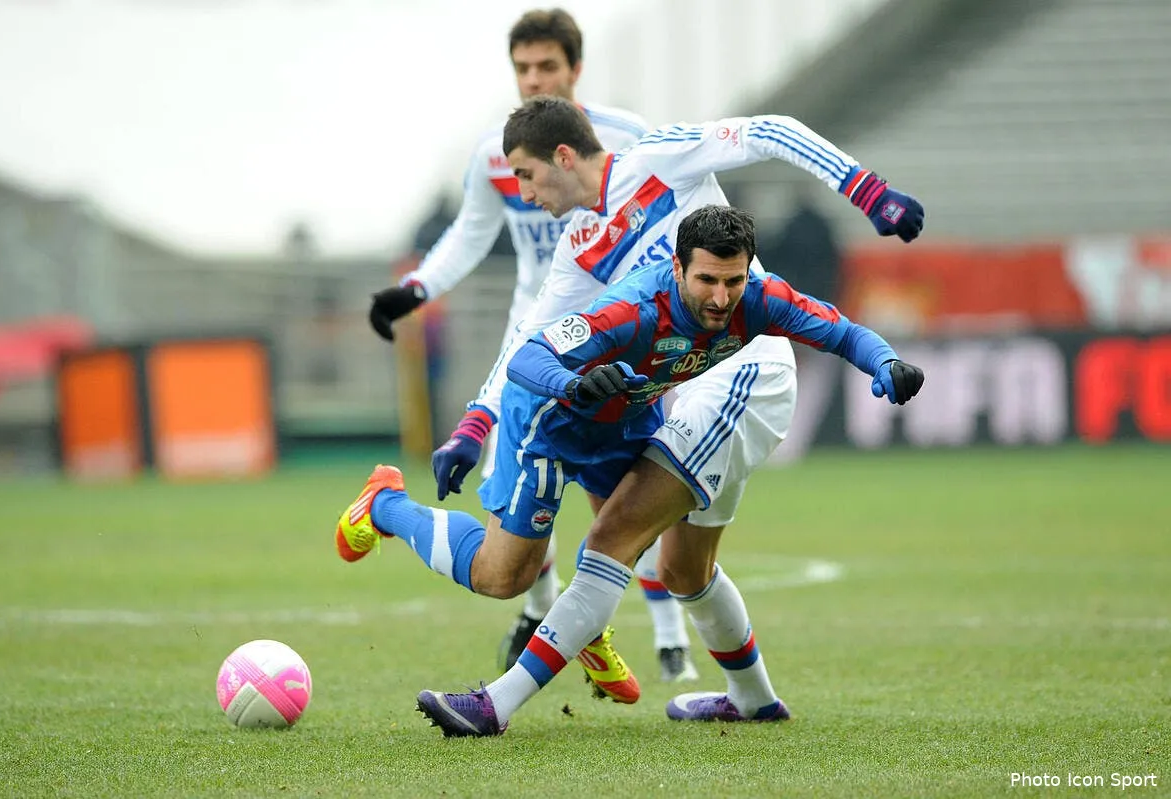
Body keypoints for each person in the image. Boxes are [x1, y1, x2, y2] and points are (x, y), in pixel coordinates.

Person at [394, 95, 922, 735]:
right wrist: (478, 420)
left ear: (564, 155)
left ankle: (495, 705)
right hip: (702, 391)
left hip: (743, 375)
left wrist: (868, 192)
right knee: (682, 570)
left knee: (611, 537)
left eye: (526, 176)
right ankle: (754, 700)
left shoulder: (656, 160)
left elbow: (773, 130)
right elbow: (529, 342)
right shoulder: (580, 250)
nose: (523, 193)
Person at [358, 8, 701, 689]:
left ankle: (657, 639)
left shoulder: (630, 140)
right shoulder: (498, 154)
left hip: (624, 351)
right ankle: (559, 620)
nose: (534, 79)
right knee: (515, 546)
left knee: (635, 509)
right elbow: (468, 233)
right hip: (540, 353)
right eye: (522, 68)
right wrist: (416, 288)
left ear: (576, 69)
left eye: (547, 66)